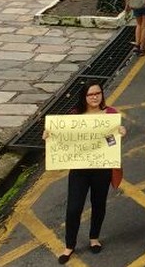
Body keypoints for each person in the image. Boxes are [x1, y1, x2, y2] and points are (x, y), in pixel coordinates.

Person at [47, 81, 126, 263]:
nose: (95, 97)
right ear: (84, 97)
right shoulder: (75, 115)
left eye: (98, 93)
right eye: (90, 95)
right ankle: (69, 245)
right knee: (74, 207)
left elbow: (112, 142)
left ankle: (94, 238)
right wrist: (50, 135)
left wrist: (121, 132)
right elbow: (63, 138)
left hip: (102, 168)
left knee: (99, 204)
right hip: (80, 170)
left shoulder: (111, 114)